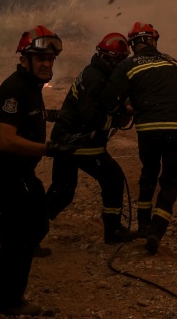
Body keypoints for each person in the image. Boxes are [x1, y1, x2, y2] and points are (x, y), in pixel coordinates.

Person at [0, 25, 75, 317]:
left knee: (38, 227)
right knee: (17, 242)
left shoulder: (31, 87)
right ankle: (8, 300)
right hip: (4, 176)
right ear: (24, 59)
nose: (46, 64)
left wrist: (55, 116)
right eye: (40, 58)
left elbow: (27, 116)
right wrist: (49, 149)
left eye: (50, 59)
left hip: (22, 175)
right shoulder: (14, 90)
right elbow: (6, 140)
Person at [100, 22, 177, 255]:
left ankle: (143, 225)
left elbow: (109, 97)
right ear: (153, 41)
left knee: (149, 173)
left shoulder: (128, 64)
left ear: (133, 44)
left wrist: (123, 109)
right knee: (170, 180)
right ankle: (156, 232)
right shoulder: (174, 62)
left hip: (150, 126)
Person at [45, 32, 136, 244]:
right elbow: (92, 117)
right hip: (78, 140)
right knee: (112, 177)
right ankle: (113, 230)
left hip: (68, 137)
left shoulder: (95, 71)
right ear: (111, 59)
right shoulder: (96, 78)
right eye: (121, 60)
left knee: (62, 191)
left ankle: (27, 232)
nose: (123, 65)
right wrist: (119, 116)